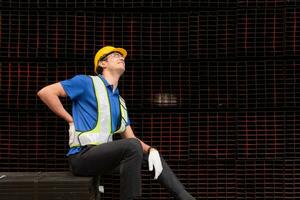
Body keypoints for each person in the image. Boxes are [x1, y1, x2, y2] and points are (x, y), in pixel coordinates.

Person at [37, 46, 196, 200]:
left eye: (122, 57)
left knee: (150, 156)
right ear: (102, 63)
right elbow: (46, 92)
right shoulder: (86, 82)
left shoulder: (120, 102)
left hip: (104, 159)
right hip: (82, 158)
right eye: (114, 55)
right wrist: (70, 119)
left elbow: (131, 137)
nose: (121, 58)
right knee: (132, 146)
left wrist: (152, 150)